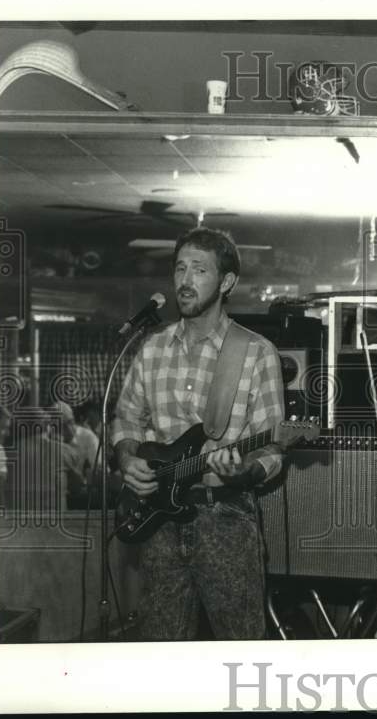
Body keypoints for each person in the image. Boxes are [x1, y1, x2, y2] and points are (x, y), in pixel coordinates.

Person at [112, 227, 286, 640]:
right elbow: (125, 420)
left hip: (225, 517)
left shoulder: (255, 352)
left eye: (200, 270)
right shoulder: (150, 348)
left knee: (241, 649)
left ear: (226, 282)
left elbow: (275, 447)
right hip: (157, 519)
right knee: (161, 648)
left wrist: (243, 473)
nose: (185, 281)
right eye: (180, 268)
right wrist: (126, 458)